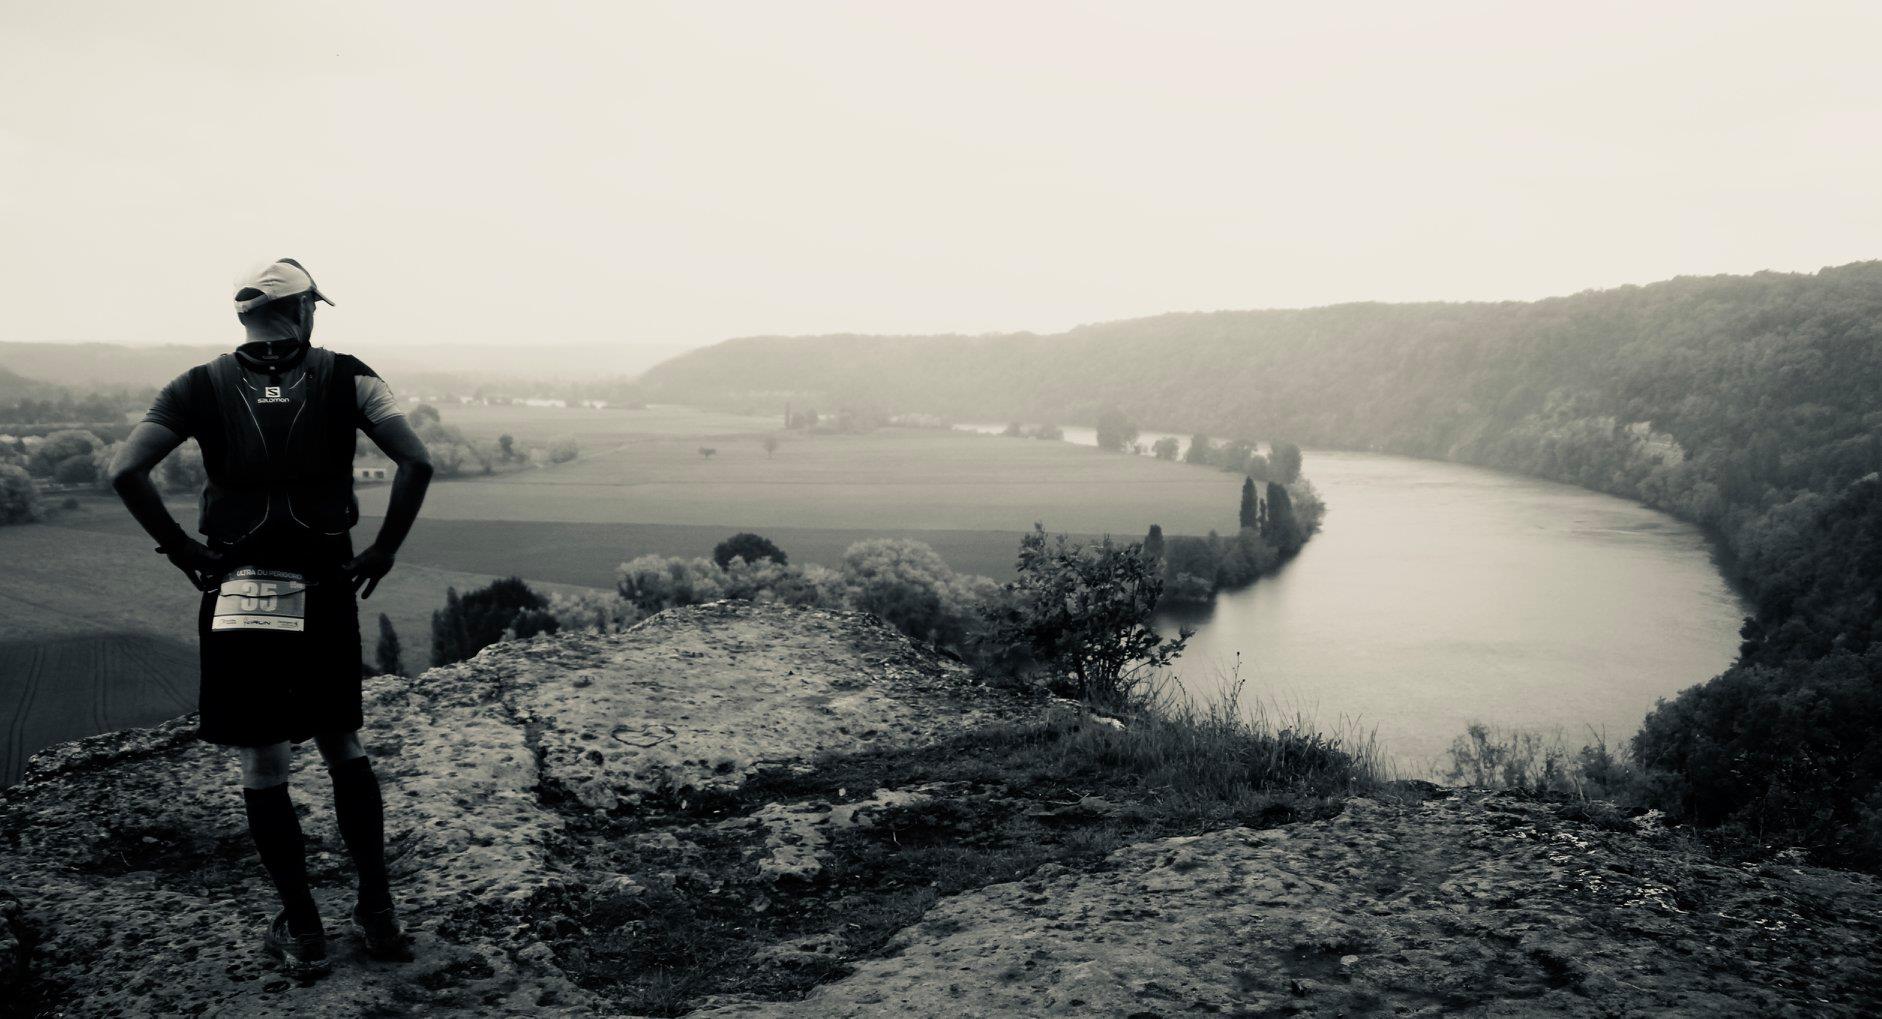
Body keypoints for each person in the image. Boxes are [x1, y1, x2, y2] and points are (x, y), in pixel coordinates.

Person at [109, 258, 433, 977]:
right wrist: (382, 548)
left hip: (238, 591)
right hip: (325, 582)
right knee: (343, 744)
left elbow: (125, 470)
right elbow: (416, 461)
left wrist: (181, 550)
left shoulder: (195, 386)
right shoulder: (350, 375)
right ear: (307, 311)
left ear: (245, 318)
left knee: (264, 761)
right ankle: (378, 913)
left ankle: (305, 927)